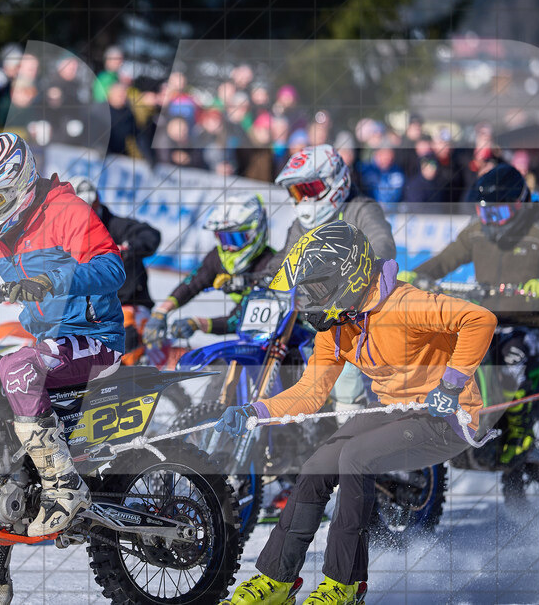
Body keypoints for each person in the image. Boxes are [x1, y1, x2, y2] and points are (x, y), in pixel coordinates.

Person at [217, 221, 495, 605]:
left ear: (347, 275)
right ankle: (277, 581)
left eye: (316, 288)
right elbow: (311, 393)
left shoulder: (404, 304)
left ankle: (345, 585)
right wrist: (255, 410)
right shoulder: (337, 326)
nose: (311, 300)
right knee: (316, 466)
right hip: (395, 409)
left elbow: (479, 319)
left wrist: (449, 386)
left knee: (355, 458)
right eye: (306, 291)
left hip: (447, 417)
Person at [0, 132, 125, 605]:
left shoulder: (65, 212)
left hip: (95, 342)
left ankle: (63, 486)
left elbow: (113, 268)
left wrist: (54, 276)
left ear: (18, 184)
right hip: (49, 346)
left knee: (15, 365)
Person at [398, 164, 539, 465]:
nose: (490, 222)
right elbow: (444, 260)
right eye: (484, 214)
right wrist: (411, 277)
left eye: (497, 214)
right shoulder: (477, 232)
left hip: (527, 324)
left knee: (510, 361)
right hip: (484, 319)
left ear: (519, 204)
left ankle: (519, 434)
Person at [266, 144, 397, 409]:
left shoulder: (361, 209)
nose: (303, 200)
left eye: (309, 189)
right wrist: (264, 271)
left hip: (352, 315)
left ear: (335, 181)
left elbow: (383, 244)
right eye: (296, 192)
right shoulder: (301, 225)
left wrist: (351, 267)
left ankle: (347, 430)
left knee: (345, 375)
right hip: (306, 314)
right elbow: (286, 257)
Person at [143, 193, 274, 346]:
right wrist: (162, 311)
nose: (228, 248)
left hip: (287, 331)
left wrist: (197, 323)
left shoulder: (270, 265)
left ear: (254, 233)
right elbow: (192, 283)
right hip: (256, 335)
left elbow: (240, 319)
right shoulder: (218, 256)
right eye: (223, 239)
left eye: (235, 239)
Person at [69, 175, 160, 364]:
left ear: (97, 203)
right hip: (90, 310)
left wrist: (128, 248)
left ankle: (133, 379)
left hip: (128, 304)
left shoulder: (115, 226)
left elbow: (151, 235)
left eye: (88, 208)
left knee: (123, 346)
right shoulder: (69, 234)